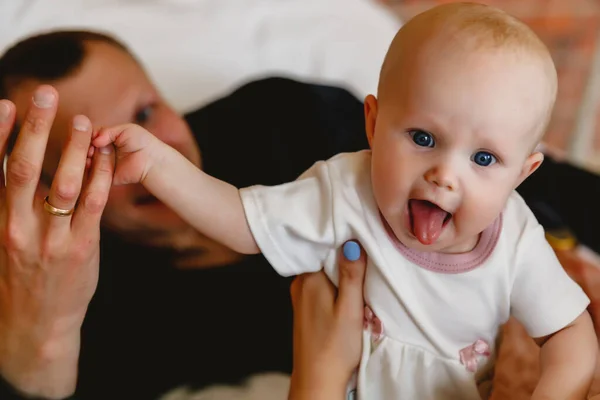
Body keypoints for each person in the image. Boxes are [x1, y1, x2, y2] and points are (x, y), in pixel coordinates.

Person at [91, 3, 598, 399]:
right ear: (374, 124)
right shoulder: (344, 191)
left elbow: (570, 335)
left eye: (484, 159)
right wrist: (161, 166)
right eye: (423, 138)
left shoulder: (514, 240)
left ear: (522, 173)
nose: (445, 175)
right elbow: (240, 220)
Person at [0, 31, 370, 399]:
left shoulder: (290, 117)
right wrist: (49, 332)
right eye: (91, 157)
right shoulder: (92, 307)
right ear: (47, 192)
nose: (143, 155)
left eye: (146, 113)